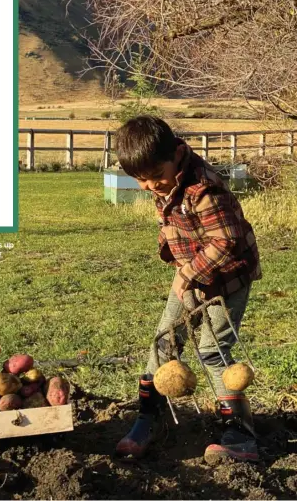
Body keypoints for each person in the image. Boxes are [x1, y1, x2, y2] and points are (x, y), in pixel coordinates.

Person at [113, 115, 262, 462]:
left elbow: (227, 240)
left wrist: (189, 273)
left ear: (177, 154)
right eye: (140, 181)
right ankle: (149, 419)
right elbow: (173, 222)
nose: (149, 187)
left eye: (155, 179)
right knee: (164, 341)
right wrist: (184, 271)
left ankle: (240, 435)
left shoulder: (202, 188)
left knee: (212, 350)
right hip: (191, 273)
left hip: (227, 279)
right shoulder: (165, 180)